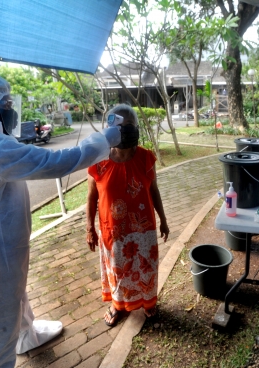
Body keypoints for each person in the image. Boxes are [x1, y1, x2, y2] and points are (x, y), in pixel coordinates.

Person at [0, 69, 124, 368]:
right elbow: (53, 163)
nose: (10, 113)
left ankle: (27, 334)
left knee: (12, 291)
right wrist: (104, 140)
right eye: (6, 106)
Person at [86, 104, 169, 327]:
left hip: (144, 230)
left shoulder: (145, 158)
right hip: (113, 231)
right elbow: (91, 198)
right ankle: (117, 305)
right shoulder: (99, 161)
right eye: (119, 127)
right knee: (117, 271)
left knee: (146, 267)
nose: (125, 131)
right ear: (109, 130)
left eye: (129, 126)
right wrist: (89, 228)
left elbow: (154, 190)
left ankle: (148, 302)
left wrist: (163, 220)